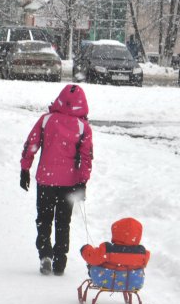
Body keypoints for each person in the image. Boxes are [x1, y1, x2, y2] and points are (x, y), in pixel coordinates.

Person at [20, 84, 93, 275]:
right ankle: (60, 260)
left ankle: (45, 254)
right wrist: (82, 181)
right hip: (69, 183)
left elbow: (31, 144)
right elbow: (87, 157)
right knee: (63, 222)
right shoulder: (82, 127)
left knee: (43, 219)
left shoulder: (46, 120)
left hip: (46, 179)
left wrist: (25, 168)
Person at [80, 217, 151, 271]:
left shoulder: (108, 249)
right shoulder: (142, 253)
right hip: (131, 282)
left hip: (107, 279)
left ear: (116, 233)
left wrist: (85, 248)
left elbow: (93, 257)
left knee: (95, 263)